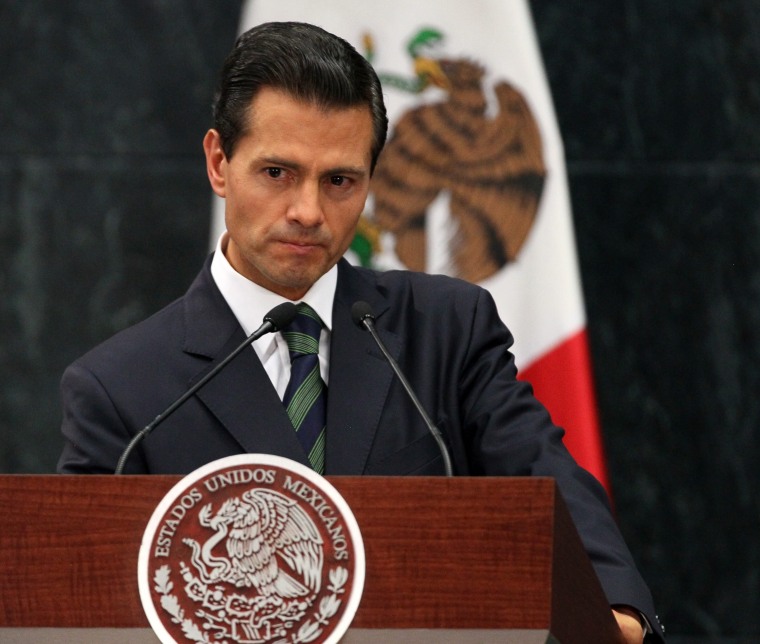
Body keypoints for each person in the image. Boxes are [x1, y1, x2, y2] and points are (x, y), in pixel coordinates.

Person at [58, 21, 663, 642]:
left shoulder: (446, 330)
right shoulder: (121, 389)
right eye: (277, 173)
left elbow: (544, 477)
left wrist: (614, 608)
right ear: (219, 162)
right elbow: (79, 600)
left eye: (339, 181)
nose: (309, 211)